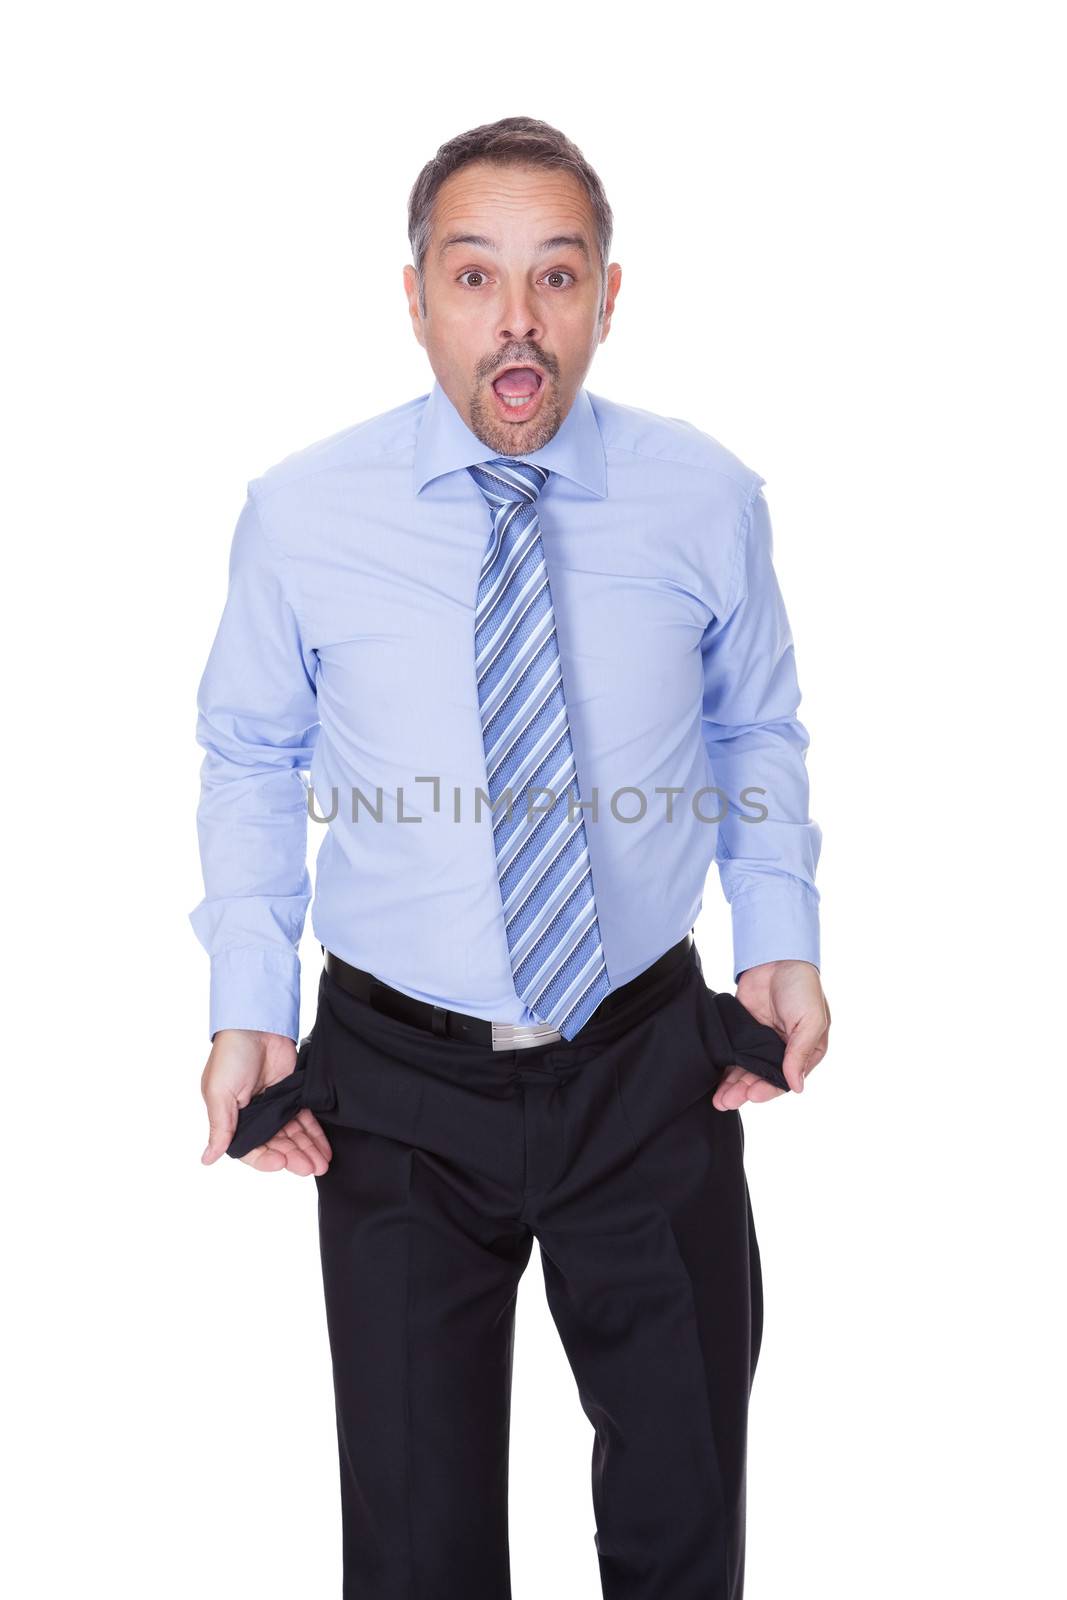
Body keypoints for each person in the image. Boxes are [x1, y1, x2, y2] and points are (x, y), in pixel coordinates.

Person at [189, 114, 831, 1600]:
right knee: (417, 1555)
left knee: (684, 1521)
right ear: (415, 295)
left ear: (611, 296)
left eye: (557, 275)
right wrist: (247, 1006)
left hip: (647, 1065)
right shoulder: (301, 516)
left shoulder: (705, 499)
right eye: (475, 278)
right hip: (397, 1091)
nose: (518, 320)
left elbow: (757, 726)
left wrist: (778, 936)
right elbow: (251, 759)